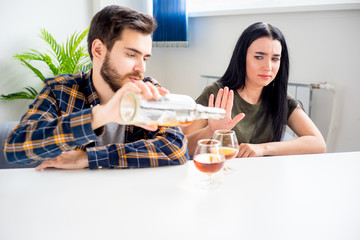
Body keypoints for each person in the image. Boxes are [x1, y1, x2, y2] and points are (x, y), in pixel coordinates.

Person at [4, 5, 188, 170]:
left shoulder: (147, 90)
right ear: (98, 50)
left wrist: (90, 158)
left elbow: (176, 148)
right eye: (131, 54)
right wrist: (103, 114)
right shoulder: (60, 91)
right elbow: (16, 148)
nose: (141, 68)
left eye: (145, 58)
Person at [183, 22, 326, 157]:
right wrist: (211, 131)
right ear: (242, 57)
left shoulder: (280, 97)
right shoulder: (218, 93)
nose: (268, 67)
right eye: (259, 57)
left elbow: (318, 143)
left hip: (262, 175)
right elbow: (181, 145)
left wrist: (262, 148)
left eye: (275, 59)